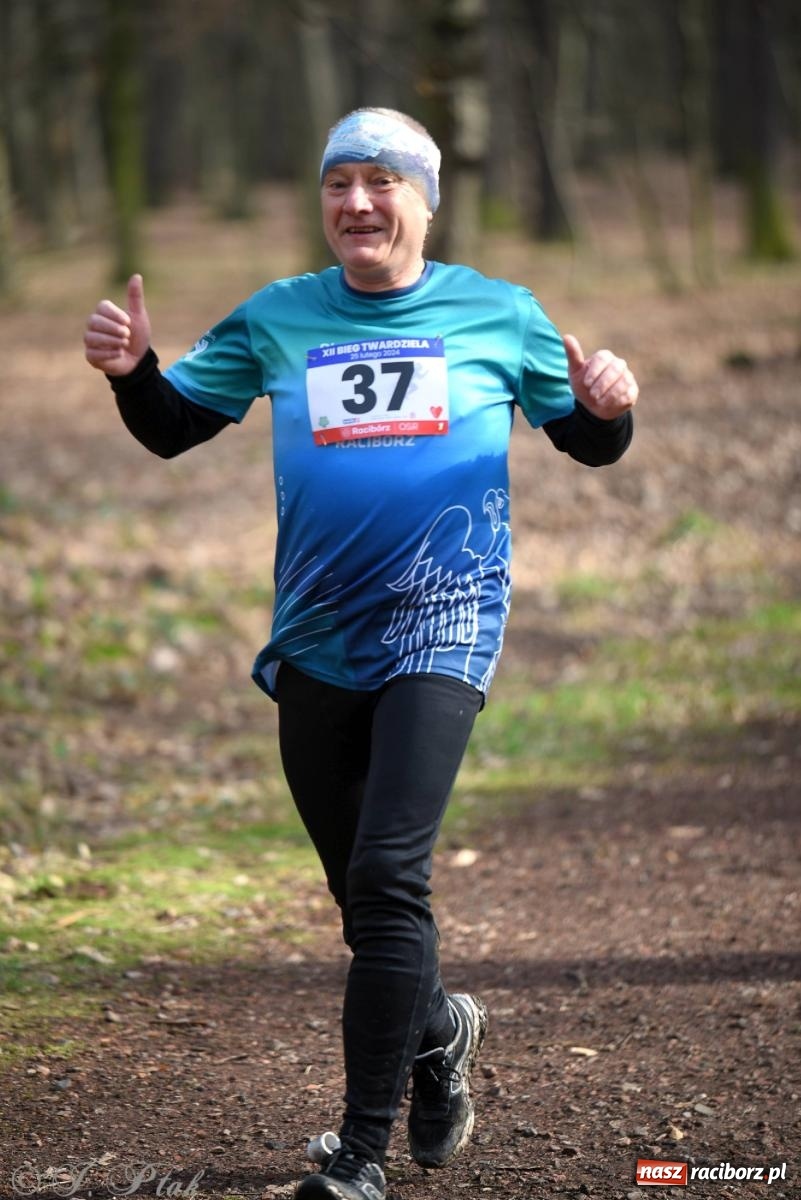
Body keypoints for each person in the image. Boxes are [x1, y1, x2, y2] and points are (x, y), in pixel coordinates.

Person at [84, 108, 638, 1200]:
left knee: (389, 876)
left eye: (382, 183)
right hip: (318, 636)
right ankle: (439, 1031)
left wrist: (605, 409)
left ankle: (358, 1154)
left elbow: (587, 442)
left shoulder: (498, 312)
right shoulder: (279, 315)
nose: (357, 203)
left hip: (446, 618)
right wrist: (134, 372)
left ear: (425, 202)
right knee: (363, 899)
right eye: (339, 183)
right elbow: (173, 426)